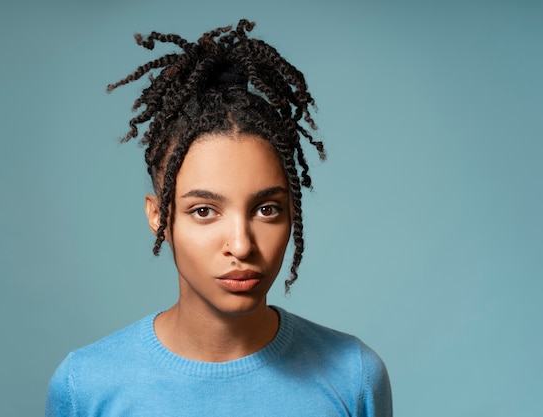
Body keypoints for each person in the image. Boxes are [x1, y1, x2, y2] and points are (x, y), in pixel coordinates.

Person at [46, 19, 392, 417]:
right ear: (159, 217)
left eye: (266, 209)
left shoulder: (355, 376)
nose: (241, 245)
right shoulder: (86, 385)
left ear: (291, 213)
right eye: (204, 211)